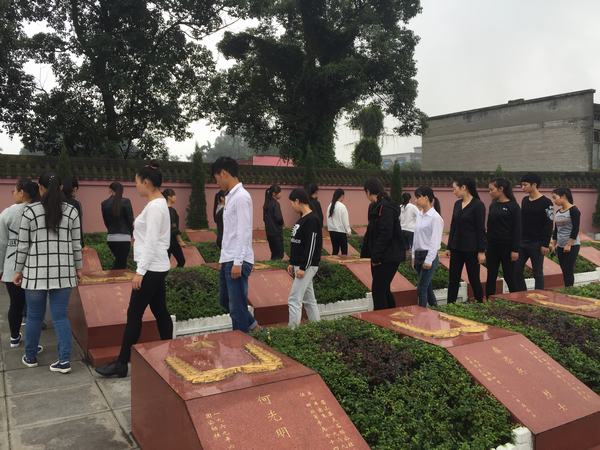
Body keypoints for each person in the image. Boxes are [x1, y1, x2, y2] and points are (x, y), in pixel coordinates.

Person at [96, 162, 173, 378]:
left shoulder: (156, 206)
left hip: (151, 268)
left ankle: (121, 363)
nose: (136, 185)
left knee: (134, 313)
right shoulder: (157, 204)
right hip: (156, 266)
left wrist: (140, 271)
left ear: (146, 182)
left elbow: (151, 241)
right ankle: (171, 353)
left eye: (137, 181)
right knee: (160, 310)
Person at [14, 173, 82, 373]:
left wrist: (18, 270)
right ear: (60, 188)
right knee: (60, 317)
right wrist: (79, 268)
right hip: (64, 273)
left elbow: (22, 246)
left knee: (34, 317)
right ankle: (64, 361)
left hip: (35, 273)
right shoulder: (71, 211)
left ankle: (30, 356)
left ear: (40, 188)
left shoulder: (30, 211)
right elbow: (76, 245)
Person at [211, 157, 258, 332]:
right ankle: (254, 327)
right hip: (228, 258)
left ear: (224, 173)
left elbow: (243, 231)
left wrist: (238, 262)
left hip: (237, 259)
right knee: (226, 301)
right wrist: (223, 259)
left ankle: (241, 343)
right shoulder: (230, 197)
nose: (217, 183)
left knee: (237, 309)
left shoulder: (241, 197)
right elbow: (229, 233)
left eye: (216, 178)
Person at [0, 179, 39, 347]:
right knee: (34, 306)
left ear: (22, 192)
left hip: (11, 266)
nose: (13, 194)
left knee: (15, 304)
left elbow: (1, 243)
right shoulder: (40, 211)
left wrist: (0, 268)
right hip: (34, 265)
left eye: (14, 191)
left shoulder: (7, 213)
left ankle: (14, 338)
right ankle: (32, 343)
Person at [360, 178, 405, 310]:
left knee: (378, 291)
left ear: (368, 191)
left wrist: (376, 256)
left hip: (388, 257)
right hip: (381, 256)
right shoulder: (375, 206)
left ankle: (381, 319)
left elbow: (386, 234)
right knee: (383, 289)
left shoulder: (386, 207)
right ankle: (391, 315)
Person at [447, 178, 486, 303]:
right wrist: (449, 247)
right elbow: (453, 226)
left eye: (455, 189)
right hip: (456, 248)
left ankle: (480, 303)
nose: (453, 191)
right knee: (453, 279)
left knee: (474, 278)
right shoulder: (457, 204)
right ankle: (450, 305)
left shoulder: (478, 205)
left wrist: (481, 251)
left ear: (463, 187)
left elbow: (481, 229)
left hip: (471, 249)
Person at [287, 188, 322, 328]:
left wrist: (303, 267)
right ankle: (318, 327)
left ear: (297, 201)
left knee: (294, 299)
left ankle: (293, 331)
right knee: (309, 300)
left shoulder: (312, 219)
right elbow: (297, 243)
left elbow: (311, 245)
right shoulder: (302, 219)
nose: (291, 206)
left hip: (306, 266)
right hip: (300, 265)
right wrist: (292, 262)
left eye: (291, 203)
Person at [514, 173, 554, 291]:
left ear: (534, 185)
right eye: (521, 185)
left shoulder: (547, 202)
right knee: (516, 271)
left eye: (525, 185)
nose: (522, 187)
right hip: (522, 243)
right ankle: (523, 294)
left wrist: (545, 244)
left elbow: (549, 224)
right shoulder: (525, 200)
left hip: (537, 244)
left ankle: (539, 295)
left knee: (537, 272)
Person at [486, 178, 521, 297]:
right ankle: (489, 301)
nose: (490, 192)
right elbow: (489, 226)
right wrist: (486, 245)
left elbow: (517, 229)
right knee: (491, 275)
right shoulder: (493, 205)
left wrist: (515, 249)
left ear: (501, 189)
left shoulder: (514, 206)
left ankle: (516, 300)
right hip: (492, 247)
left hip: (508, 247)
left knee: (509, 276)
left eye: (492, 190)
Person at [412, 187, 443, 308]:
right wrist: (413, 256)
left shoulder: (435, 218)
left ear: (426, 198)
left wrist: (429, 260)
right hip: (419, 255)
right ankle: (435, 308)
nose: (415, 200)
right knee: (427, 287)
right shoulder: (420, 214)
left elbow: (435, 241)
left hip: (428, 255)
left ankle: (422, 314)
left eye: (417, 197)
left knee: (421, 288)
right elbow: (416, 237)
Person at [550, 187, 581, 287]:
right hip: (560, 245)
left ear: (563, 196)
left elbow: (576, 228)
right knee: (564, 269)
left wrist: (569, 244)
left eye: (555, 198)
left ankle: (570, 289)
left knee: (568, 269)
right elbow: (556, 229)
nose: (554, 201)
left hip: (572, 245)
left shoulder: (574, 210)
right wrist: (553, 244)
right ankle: (567, 288)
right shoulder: (558, 212)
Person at [101, 182, 134, 270]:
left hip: (111, 238)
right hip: (124, 238)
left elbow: (106, 222)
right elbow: (130, 220)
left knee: (120, 263)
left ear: (110, 190)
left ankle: (112, 276)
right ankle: (110, 276)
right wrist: (131, 234)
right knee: (121, 265)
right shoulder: (126, 201)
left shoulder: (104, 203)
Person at [163, 188, 186, 268]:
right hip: (172, 241)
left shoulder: (163, 210)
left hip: (165, 240)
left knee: (165, 264)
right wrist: (180, 241)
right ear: (169, 197)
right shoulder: (171, 211)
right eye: (174, 195)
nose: (175, 197)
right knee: (181, 261)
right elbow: (174, 227)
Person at [326, 189, 351, 256]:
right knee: (344, 251)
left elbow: (328, 219)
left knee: (335, 250)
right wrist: (348, 231)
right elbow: (345, 221)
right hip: (341, 232)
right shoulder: (342, 206)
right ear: (342, 196)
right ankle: (343, 263)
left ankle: (333, 262)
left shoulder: (330, 206)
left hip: (332, 231)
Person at [263, 184, 284, 260]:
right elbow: (279, 218)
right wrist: (282, 224)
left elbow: (264, 219)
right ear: (274, 194)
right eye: (280, 192)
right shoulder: (275, 204)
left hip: (269, 232)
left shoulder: (266, 204)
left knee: (274, 253)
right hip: (276, 232)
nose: (281, 194)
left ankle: (273, 264)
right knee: (279, 254)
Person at [63, 177, 84, 249]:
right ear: (74, 189)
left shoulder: (56, 201)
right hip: (71, 241)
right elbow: (78, 225)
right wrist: (82, 244)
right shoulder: (75, 204)